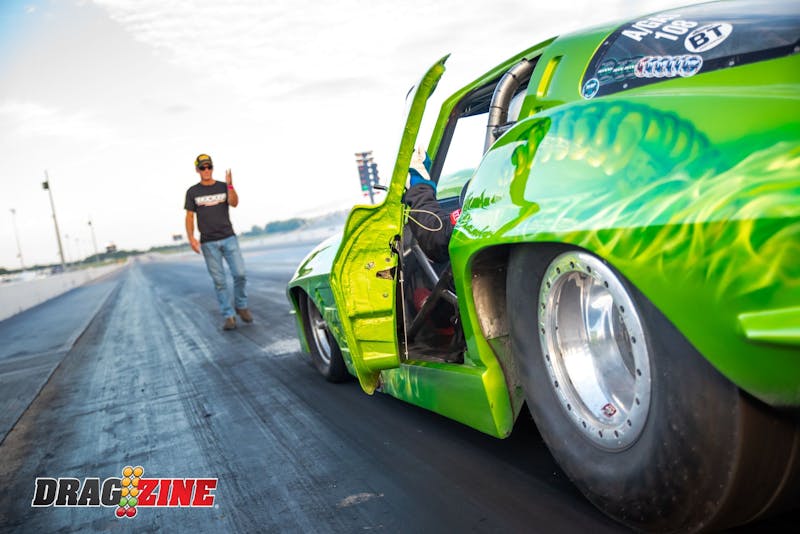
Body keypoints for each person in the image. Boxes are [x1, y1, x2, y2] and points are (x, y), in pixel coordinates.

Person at [184, 153, 252, 331]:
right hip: (208, 243)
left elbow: (234, 203)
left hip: (229, 238)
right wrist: (191, 238)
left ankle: (241, 306)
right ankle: (229, 316)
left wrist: (230, 185)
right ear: (197, 170)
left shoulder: (223, 186)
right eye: (203, 167)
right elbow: (189, 216)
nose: (206, 170)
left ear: (212, 168)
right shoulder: (192, 192)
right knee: (219, 281)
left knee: (240, 274)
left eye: (209, 167)